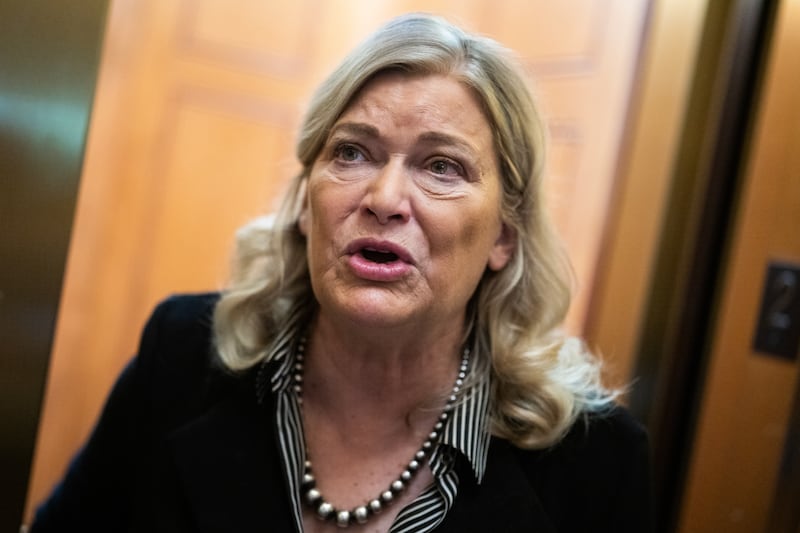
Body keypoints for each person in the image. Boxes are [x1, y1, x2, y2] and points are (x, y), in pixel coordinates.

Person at [30, 13, 652, 533]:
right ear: (305, 202)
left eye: (442, 167)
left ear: (504, 237)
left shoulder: (597, 461)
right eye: (351, 152)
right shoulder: (182, 353)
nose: (384, 198)